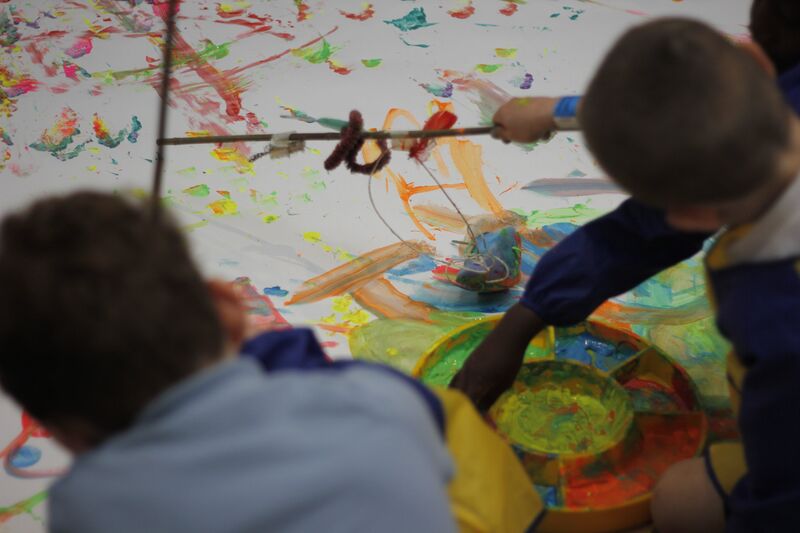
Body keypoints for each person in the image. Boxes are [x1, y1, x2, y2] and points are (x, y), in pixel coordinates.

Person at [0, 192, 541, 533]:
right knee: (449, 423)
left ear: (55, 428)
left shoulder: (86, 507)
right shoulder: (373, 398)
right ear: (233, 309)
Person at [452, 18, 800, 533]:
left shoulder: (773, 316)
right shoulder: (781, 93)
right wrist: (555, 111)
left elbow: (782, 493)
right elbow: (681, 107)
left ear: (689, 220)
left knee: (682, 505)